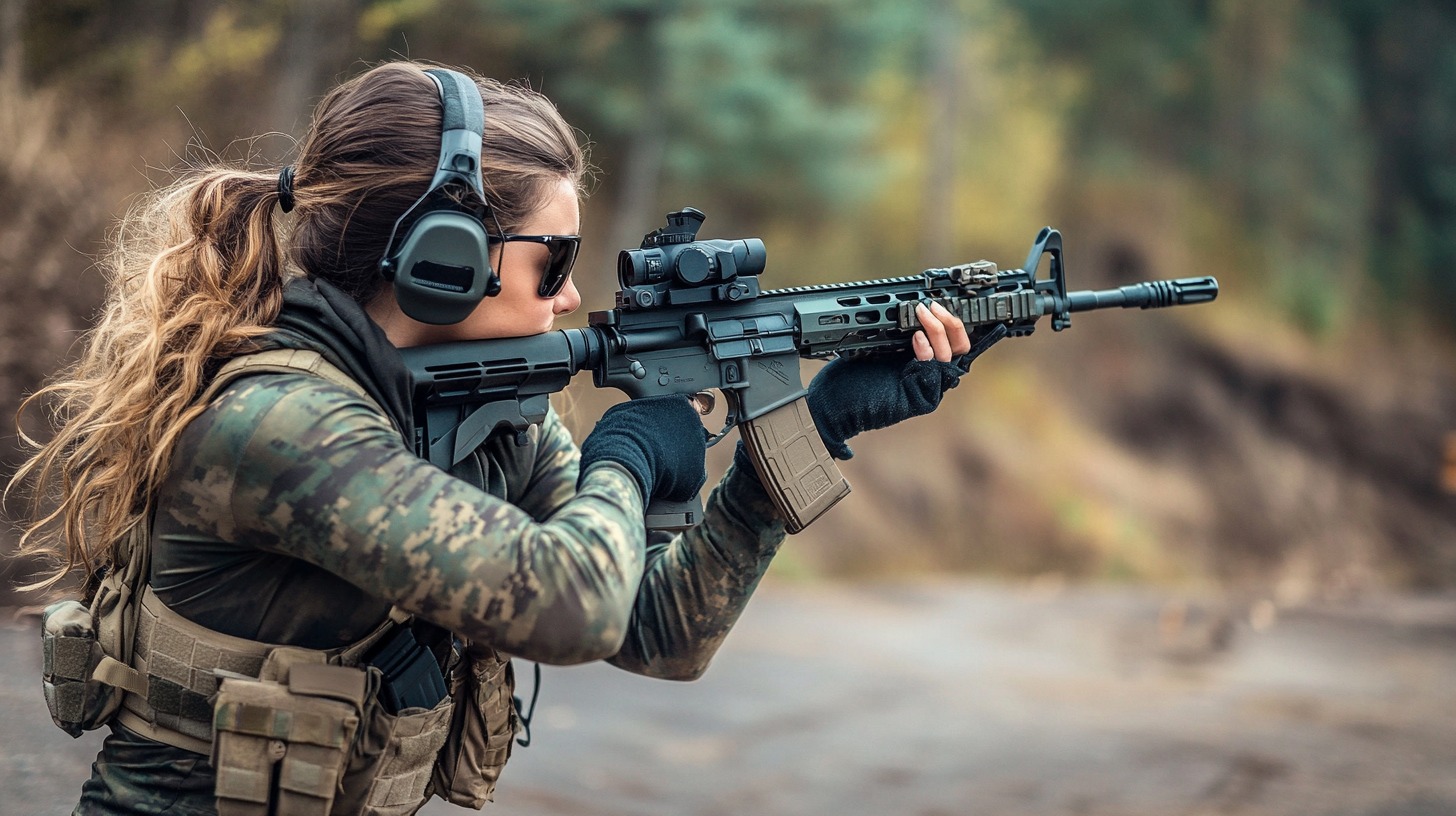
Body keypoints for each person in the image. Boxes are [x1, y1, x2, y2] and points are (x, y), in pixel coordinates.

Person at [14, 60, 987, 815]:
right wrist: (629, 456)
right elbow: (570, 608)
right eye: (551, 259)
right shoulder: (274, 422)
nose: (570, 295)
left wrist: (813, 427)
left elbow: (657, 630)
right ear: (443, 259)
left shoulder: (491, 417)